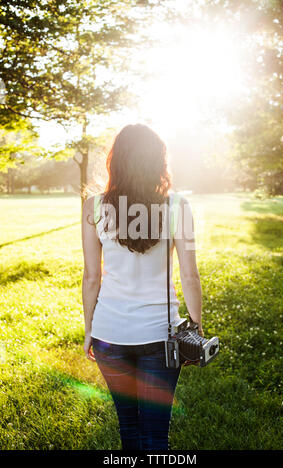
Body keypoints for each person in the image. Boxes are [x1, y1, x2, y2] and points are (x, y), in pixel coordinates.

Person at [81, 123, 203, 450]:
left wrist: (89, 328)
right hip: (160, 337)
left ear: (115, 160)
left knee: (129, 428)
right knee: (155, 435)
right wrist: (195, 328)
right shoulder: (177, 206)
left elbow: (92, 276)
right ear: (158, 161)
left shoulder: (93, 206)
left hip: (109, 334)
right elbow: (189, 276)